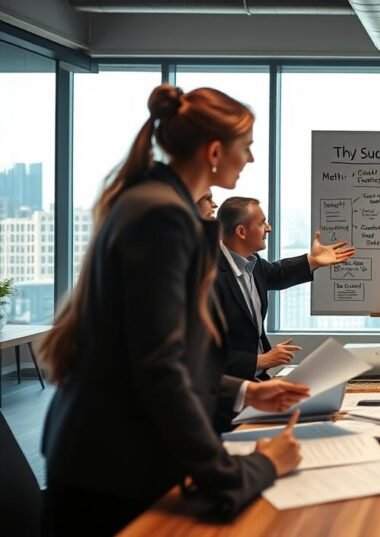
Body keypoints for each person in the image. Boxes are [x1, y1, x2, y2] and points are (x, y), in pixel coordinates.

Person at [38, 85, 310, 535]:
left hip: (103, 457)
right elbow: (158, 369)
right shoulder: (163, 215)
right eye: (247, 148)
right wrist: (252, 470)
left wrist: (242, 392)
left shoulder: (154, 204)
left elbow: (144, 356)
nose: (252, 160)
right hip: (114, 470)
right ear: (216, 152)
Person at [215, 196, 356, 380]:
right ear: (241, 231)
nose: (269, 228)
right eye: (262, 223)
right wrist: (262, 361)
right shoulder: (209, 276)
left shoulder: (253, 263)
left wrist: (311, 261)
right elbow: (205, 354)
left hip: (258, 381)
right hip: (228, 390)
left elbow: (278, 273)